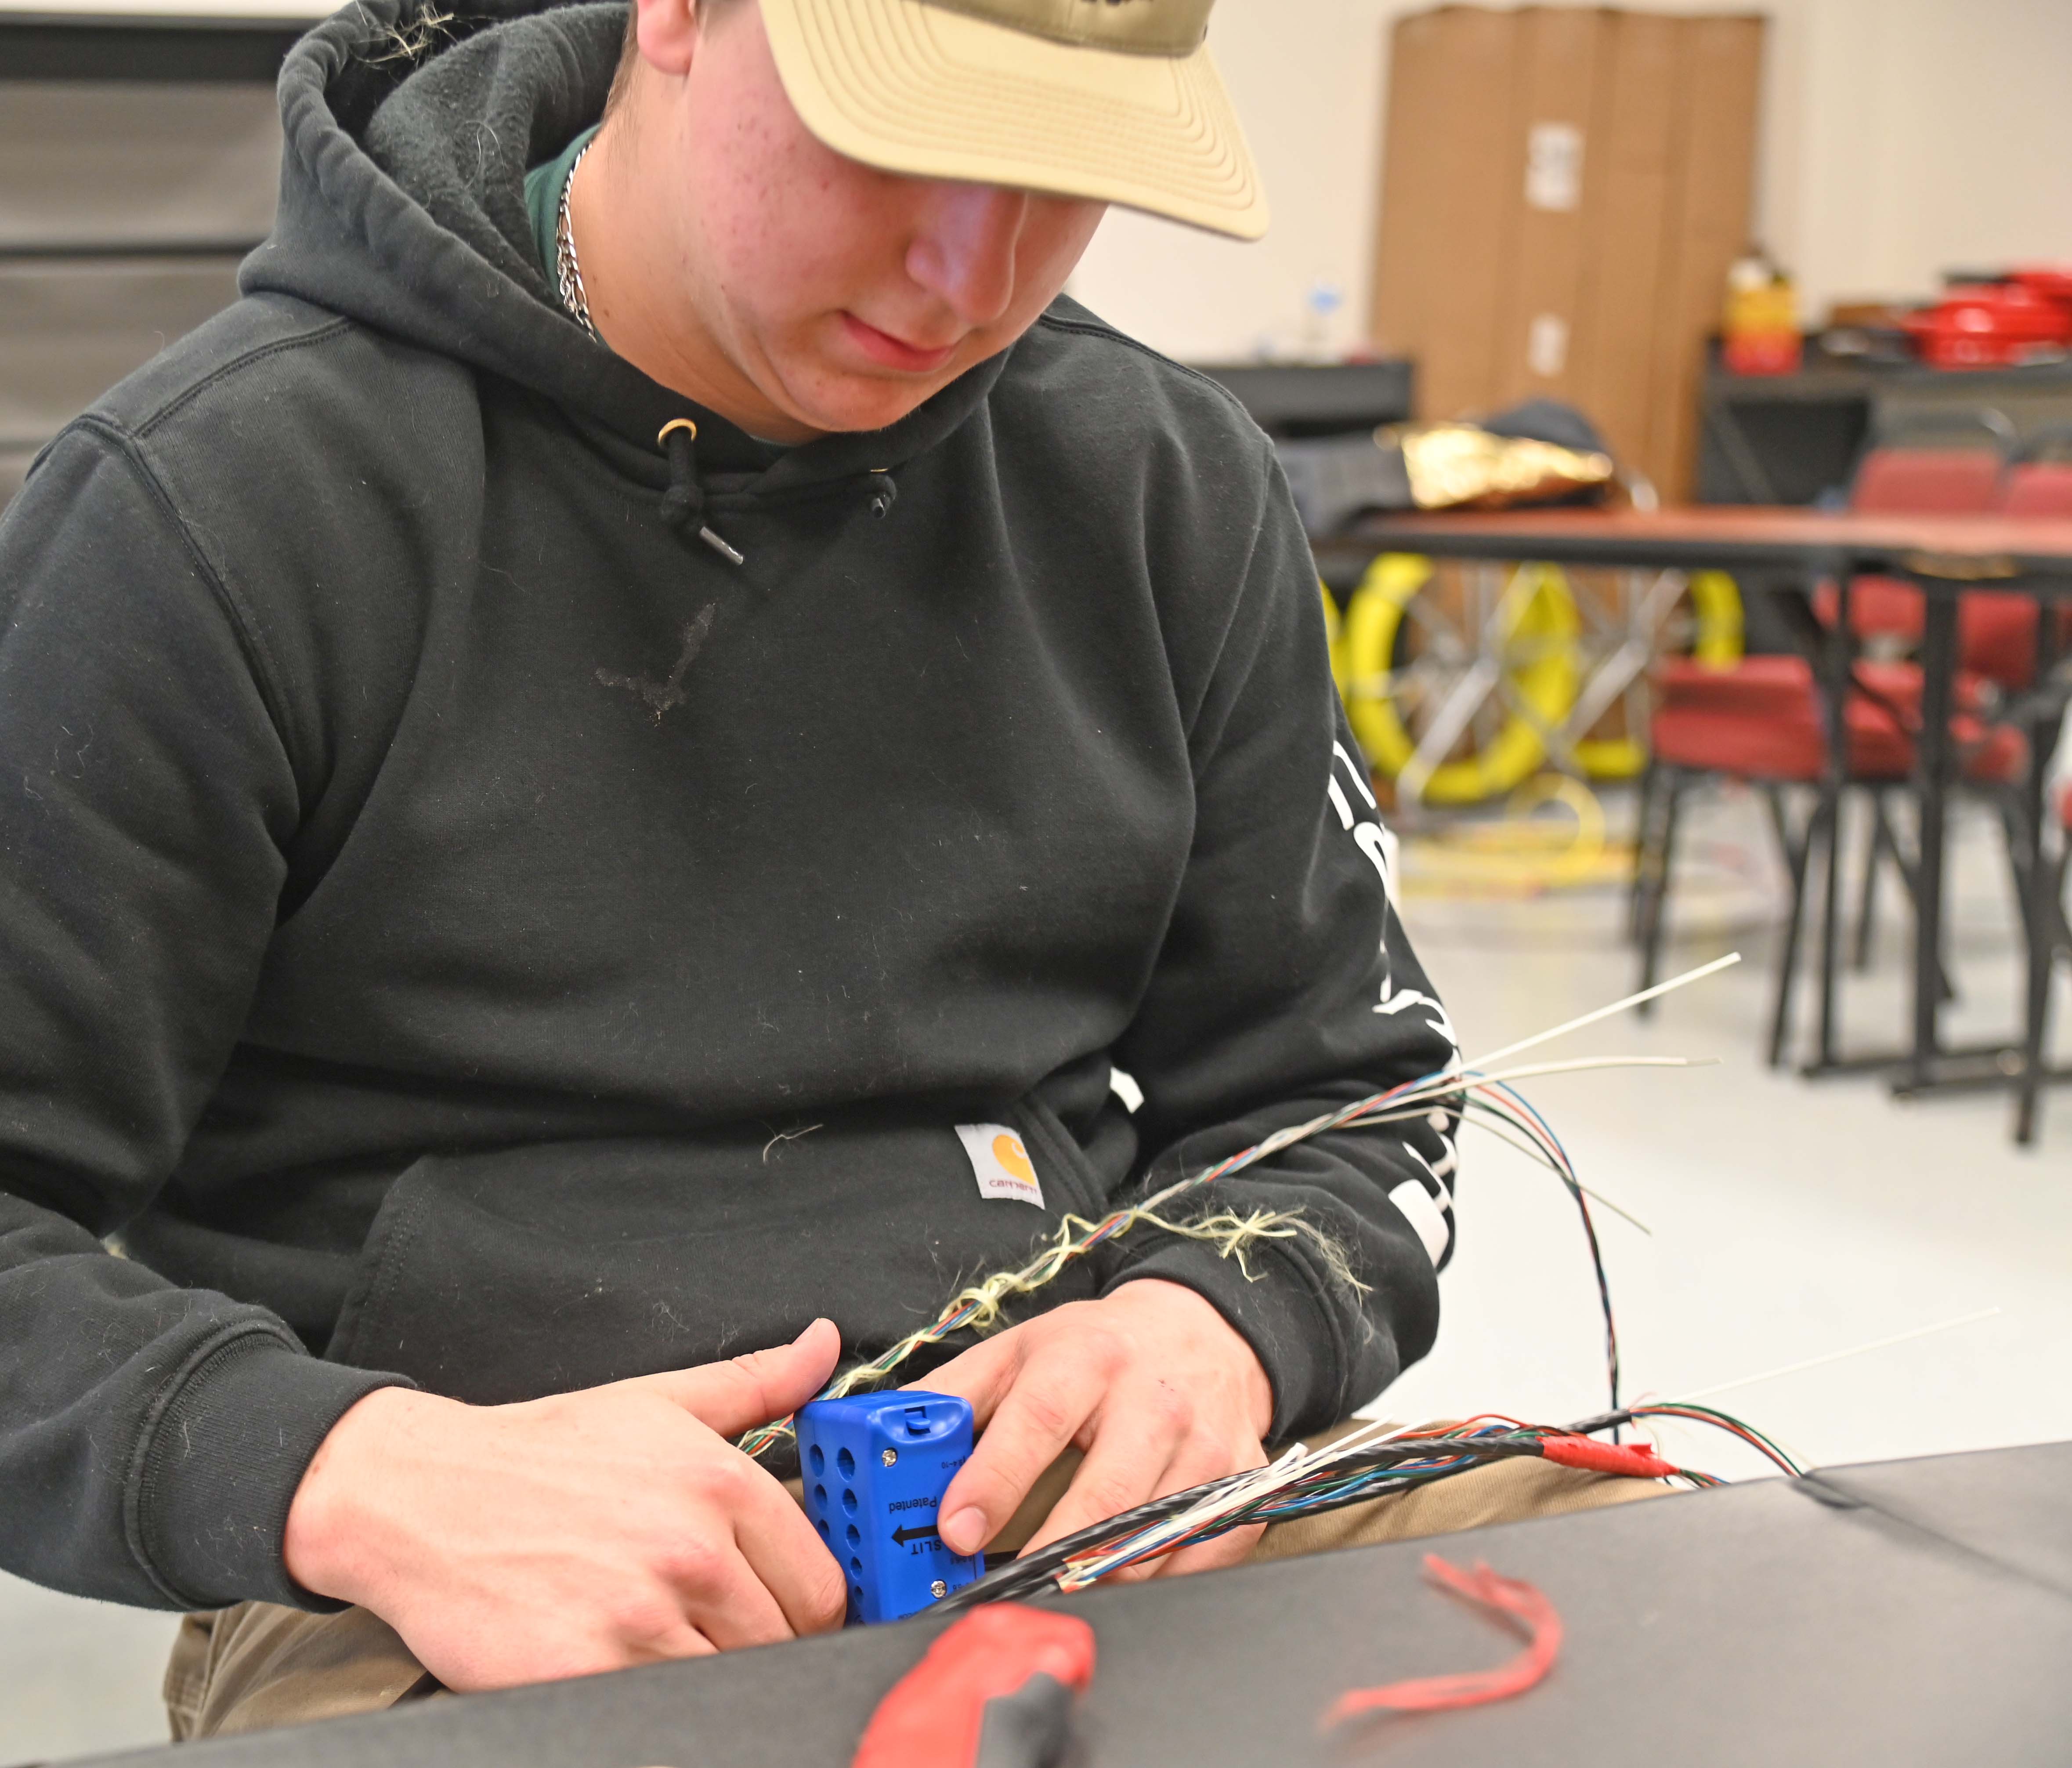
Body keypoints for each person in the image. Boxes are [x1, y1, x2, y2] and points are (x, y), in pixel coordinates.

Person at [0, 0, 1649, 1739]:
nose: (964, 278)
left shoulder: (1158, 486)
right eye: (902, 147)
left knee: (1681, 1624)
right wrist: (346, 1465)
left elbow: (1359, 1095)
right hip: (471, 1540)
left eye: (1056, 183)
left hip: (1071, 1510)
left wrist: (1220, 1317)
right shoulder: (218, 508)